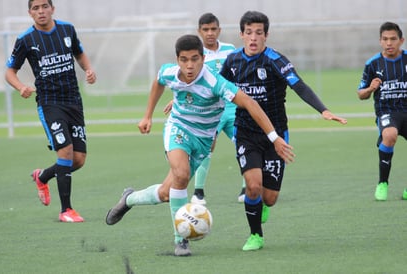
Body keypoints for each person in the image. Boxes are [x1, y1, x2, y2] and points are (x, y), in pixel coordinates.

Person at [105, 34, 295, 256]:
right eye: (184, 59)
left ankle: (129, 199)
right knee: (182, 175)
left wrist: (274, 137)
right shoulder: (169, 72)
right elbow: (158, 82)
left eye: (194, 59)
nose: (189, 65)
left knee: (167, 192)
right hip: (178, 129)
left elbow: (249, 103)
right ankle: (181, 239)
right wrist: (147, 116)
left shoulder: (214, 83)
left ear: (203, 58)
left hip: (203, 141)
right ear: (177, 59)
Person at [220, 11, 347, 251]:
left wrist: (323, 110)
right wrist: (186, 99)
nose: (253, 38)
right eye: (249, 33)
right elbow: (214, 87)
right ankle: (255, 234)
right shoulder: (233, 61)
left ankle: (262, 205)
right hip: (245, 132)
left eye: (259, 33)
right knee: (253, 186)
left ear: (266, 35)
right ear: (241, 34)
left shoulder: (275, 60)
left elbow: (299, 85)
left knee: (270, 197)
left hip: (276, 136)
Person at [5, 0, 96, 222]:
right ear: (30, 13)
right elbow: (10, 72)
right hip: (49, 102)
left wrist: (88, 69)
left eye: (44, 6)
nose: (41, 11)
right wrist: (21, 87)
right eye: (35, 8)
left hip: (73, 100)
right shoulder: (26, 39)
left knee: (78, 160)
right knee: (65, 152)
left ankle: (42, 176)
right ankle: (66, 210)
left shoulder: (67, 29)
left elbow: (79, 53)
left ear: (52, 9)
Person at [164, 13, 245, 205]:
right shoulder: (196, 55)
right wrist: (175, 100)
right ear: (199, 32)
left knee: (244, 143)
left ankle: (246, 188)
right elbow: (186, 83)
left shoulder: (230, 50)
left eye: (213, 29)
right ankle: (199, 191)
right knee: (208, 146)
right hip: (206, 111)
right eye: (205, 30)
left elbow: (235, 78)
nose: (210, 33)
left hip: (230, 107)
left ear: (219, 30)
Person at [357, 21, 407, 201]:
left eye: (393, 39)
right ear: (380, 41)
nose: (389, 43)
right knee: (390, 135)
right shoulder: (373, 64)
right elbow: (360, 94)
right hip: (387, 112)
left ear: (401, 40)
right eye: (385, 39)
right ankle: (382, 183)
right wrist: (370, 89)